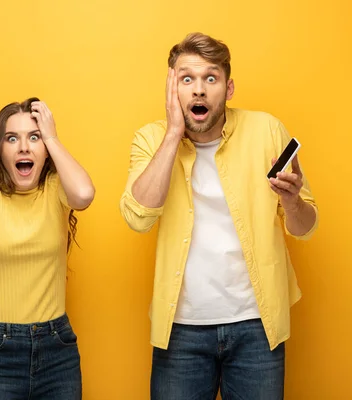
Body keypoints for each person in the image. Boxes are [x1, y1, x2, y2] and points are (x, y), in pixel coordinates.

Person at [119, 32, 319, 399]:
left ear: (228, 89)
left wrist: (292, 202)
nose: (198, 90)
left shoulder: (268, 130)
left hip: (257, 328)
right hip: (180, 331)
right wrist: (173, 135)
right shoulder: (151, 139)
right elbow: (138, 217)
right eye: (186, 79)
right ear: (172, 88)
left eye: (210, 78)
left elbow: (305, 228)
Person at [0, 97, 94, 399]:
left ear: (45, 150)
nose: (24, 147)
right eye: (13, 138)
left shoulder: (55, 186)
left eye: (34, 137)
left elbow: (84, 195)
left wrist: (51, 136)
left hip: (57, 347)